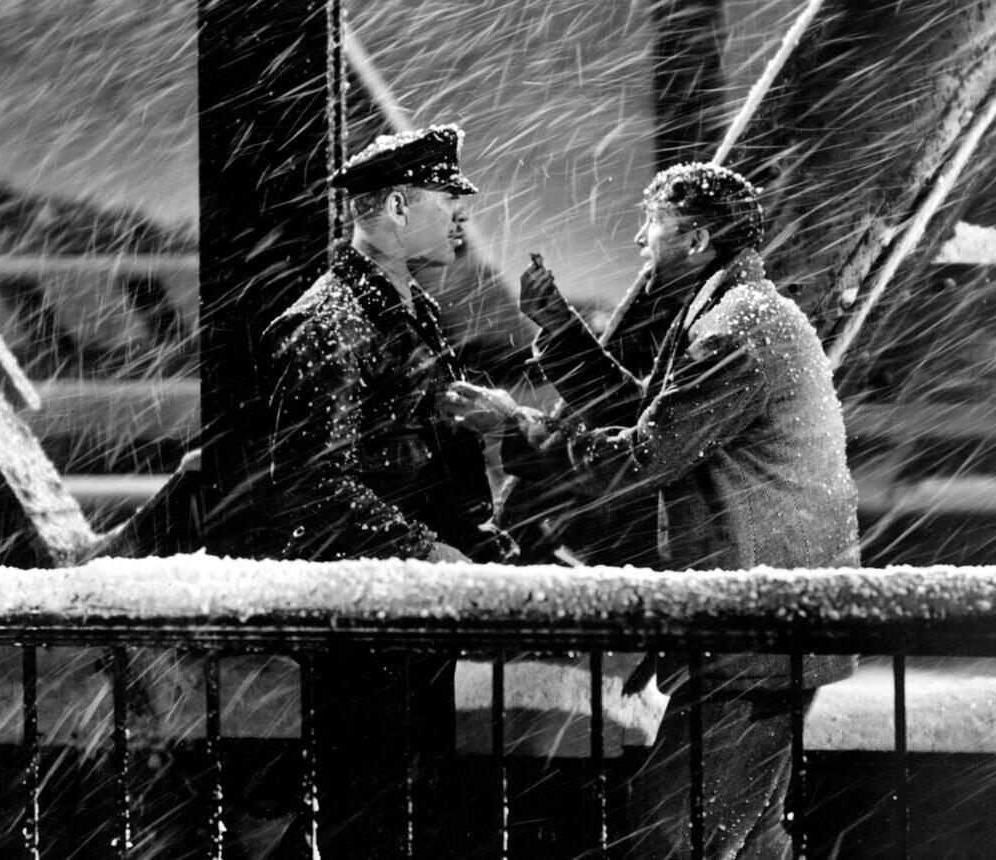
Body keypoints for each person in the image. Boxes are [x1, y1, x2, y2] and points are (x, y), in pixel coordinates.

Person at [440, 162, 859, 859]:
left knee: (669, 838)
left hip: (750, 636)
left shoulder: (738, 330)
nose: (639, 238)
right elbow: (648, 412)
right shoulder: (734, 312)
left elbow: (644, 455)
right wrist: (558, 326)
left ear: (693, 239)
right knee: (748, 838)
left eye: (652, 223)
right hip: (772, 627)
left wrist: (515, 425)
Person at [260, 124, 516, 856]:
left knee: (413, 807)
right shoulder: (328, 323)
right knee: (373, 815)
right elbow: (315, 487)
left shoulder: (406, 310)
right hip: (368, 625)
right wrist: (425, 549)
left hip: (407, 617)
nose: (465, 212)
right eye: (449, 198)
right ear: (398, 206)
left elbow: (421, 462)